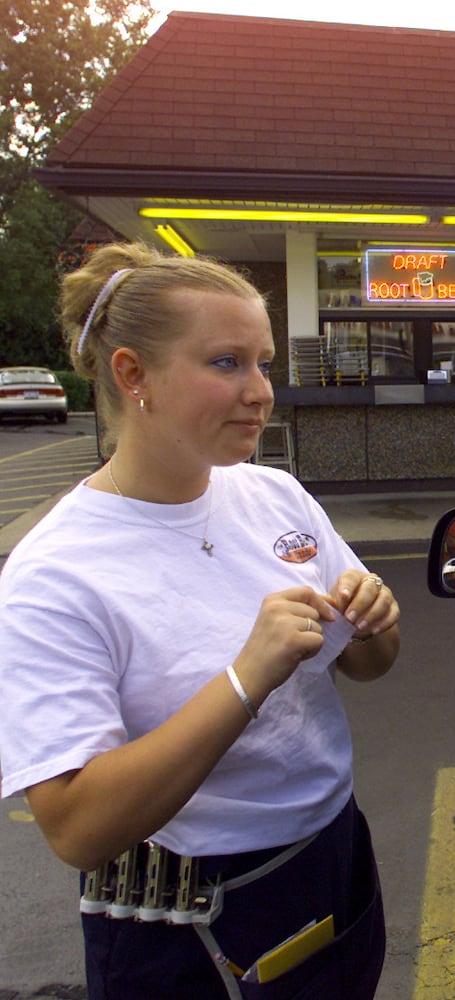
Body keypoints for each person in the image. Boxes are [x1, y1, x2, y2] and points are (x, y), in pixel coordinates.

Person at [0, 243, 400, 999]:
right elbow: (77, 828)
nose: (259, 392)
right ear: (131, 374)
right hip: (191, 912)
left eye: (264, 362)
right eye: (225, 363)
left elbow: (370, 664)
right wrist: (246, 677)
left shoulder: (273, 496)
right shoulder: (56, 572)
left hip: (332, 853)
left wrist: (376, 619)